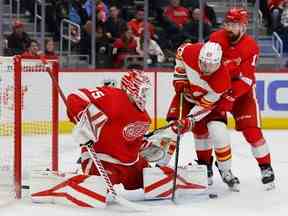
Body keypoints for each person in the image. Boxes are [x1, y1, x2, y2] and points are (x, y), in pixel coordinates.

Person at [66, 70, 176, 190]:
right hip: (102, 159)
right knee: (98, 189)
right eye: (143, 91)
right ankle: (78, 180)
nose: (145, 96)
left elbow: (128, 139)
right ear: (132, 88)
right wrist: (84, 123)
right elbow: (76, 96)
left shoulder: (144, 117)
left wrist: (145, 146)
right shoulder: (112, 95)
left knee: (155, 183)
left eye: (146, 92)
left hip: (130, 164)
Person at [209, 7, 275, 190]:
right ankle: (223, 169)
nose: (229, 28)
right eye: (227, 23)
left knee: (253, 133)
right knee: (217, 131)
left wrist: (230, 97)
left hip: (243, 94)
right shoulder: (215, 39)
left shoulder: (250, 46)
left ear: (243, 26)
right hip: (218, 91)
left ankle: (266, 167)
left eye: (234, 24)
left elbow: (246, 79)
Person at [161, 41, 240, 191]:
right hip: (187, 97)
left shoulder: (222, 81)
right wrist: (180, 76)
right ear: (200, 57)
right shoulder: (191, 52)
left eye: (211, 65)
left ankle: (225, 170)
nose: (206, 68)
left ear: (218, 63)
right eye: (203, 63)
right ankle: (159, 167)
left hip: (207, 104)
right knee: (172, 130)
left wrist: (189, 119)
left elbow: (204, 105)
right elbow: (180, 52)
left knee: (219, 133)